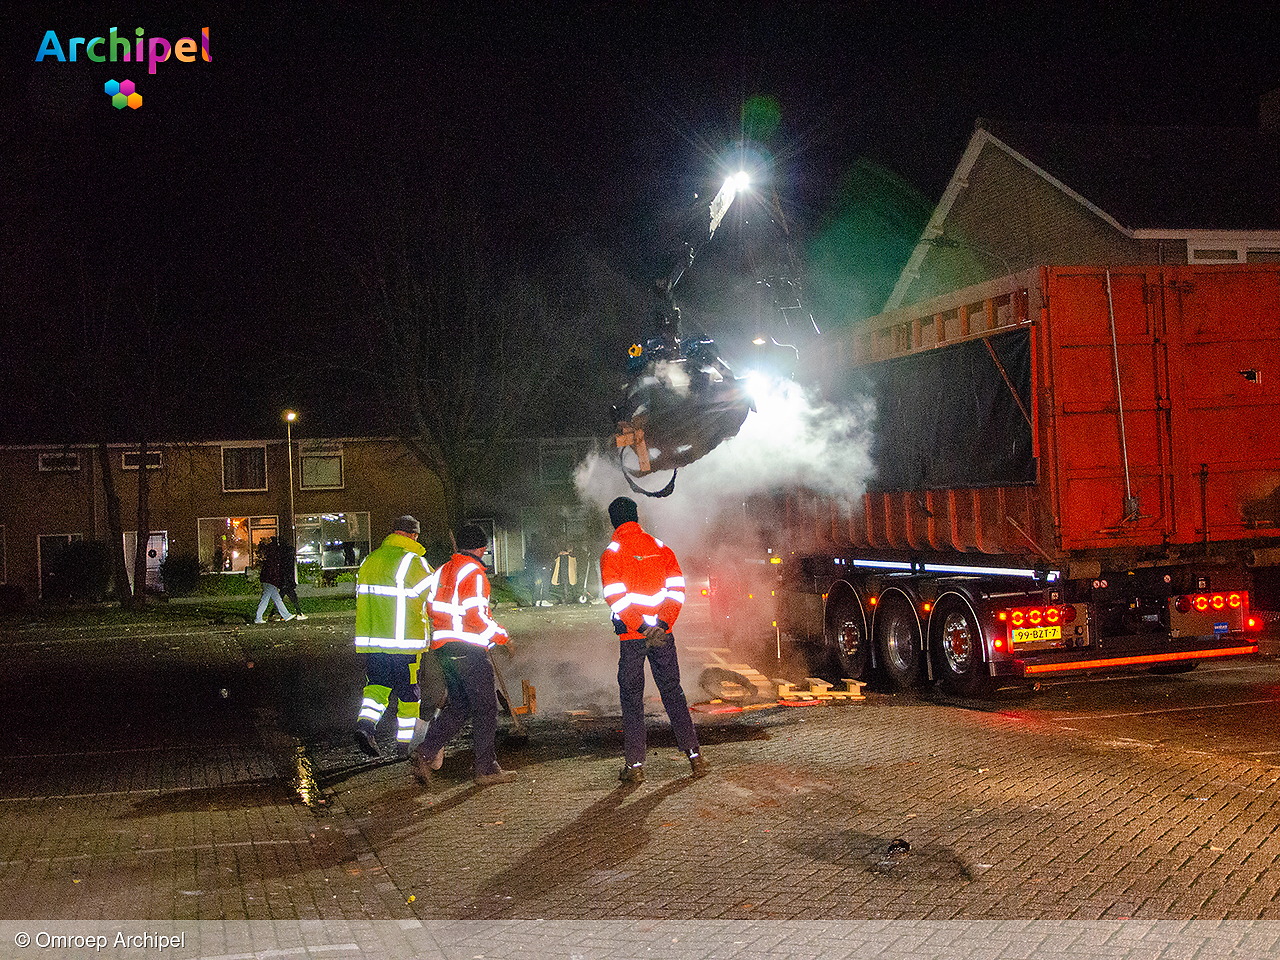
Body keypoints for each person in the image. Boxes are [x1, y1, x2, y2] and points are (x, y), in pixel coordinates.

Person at [600, 496, 708, 783]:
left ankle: (635, 766)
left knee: (632, 698)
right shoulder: (661, 548)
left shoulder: (612, 553)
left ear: (613, 521)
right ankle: (695, 757)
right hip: (663, 636)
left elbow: (615, 597)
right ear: (637, 517)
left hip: (632, 637)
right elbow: (677, 590)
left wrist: (642, 628)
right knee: (673, 692)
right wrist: (662, 624)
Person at [410, 524, 518, 788]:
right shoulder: (475, 574)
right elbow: (476, 616)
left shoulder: (442, 571)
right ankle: (486, 768)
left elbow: (431, 607)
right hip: (469, 651)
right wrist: (503, 637)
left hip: (445, 648)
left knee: (459, 706)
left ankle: (424, 753)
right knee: (485, 708)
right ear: (481, 548)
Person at [352, 516, 434, 758]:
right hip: (405, 644)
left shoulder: (370, 560)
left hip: (374, 642)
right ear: (413, 535)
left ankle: (365, 727)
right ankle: (404, 746)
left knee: (376, 688)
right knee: (409, 695)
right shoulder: (412, 561)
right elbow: (434, 597)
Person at [253, 537, 295, 624]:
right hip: (270, 581)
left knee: (276, 599)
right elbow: (273, 571)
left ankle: (286, 615)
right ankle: (258, 618)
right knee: (266, 599)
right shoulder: (273, 559)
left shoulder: (269, 557)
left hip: (268, 580)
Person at [276, 535, 307, 620]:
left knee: (280, 598)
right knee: (292, 598)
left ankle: (274, 614)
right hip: (287, 581)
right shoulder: (288, 555)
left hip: (284, 580)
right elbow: (289, 570)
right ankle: (299, 613)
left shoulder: (281, 553)